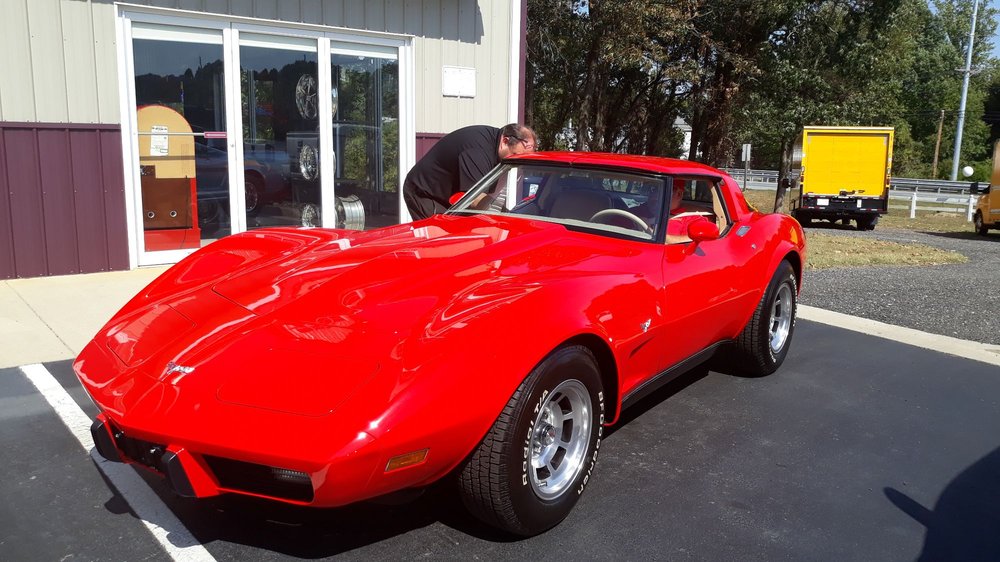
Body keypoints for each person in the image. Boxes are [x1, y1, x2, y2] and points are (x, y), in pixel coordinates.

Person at [403, 124, 537, 220]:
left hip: (451, 197)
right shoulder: (477, 152)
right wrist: (508, 217)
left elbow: (484, 197)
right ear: (505, 141)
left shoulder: (497, 149)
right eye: (515, 155)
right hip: (425, 192)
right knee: (438, 240)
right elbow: (475, 198)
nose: (515, 162)